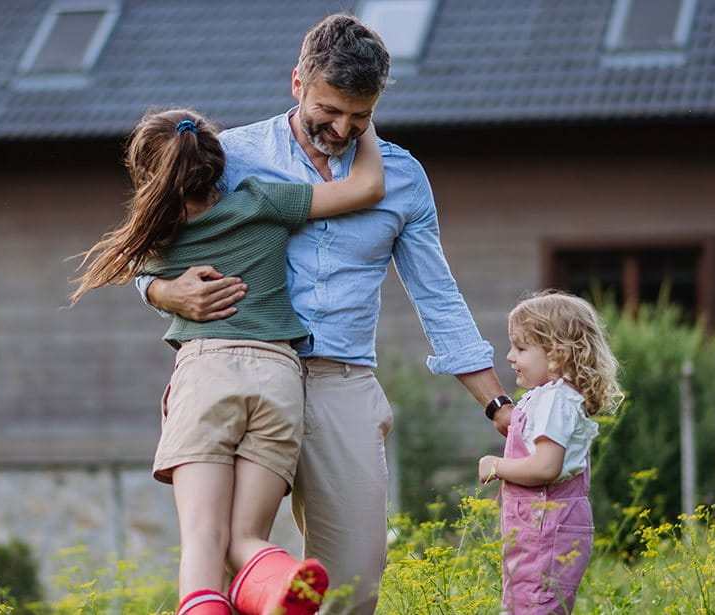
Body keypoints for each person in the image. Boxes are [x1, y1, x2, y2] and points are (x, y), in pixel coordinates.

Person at [136, 14, 513, 612]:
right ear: (297, 83)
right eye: (329, 110)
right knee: (222, 553)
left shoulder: (402, 178)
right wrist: (161, 293)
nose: (340, 129)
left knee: (351, 583)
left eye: (357, 117)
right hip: (242, 365)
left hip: (341, 382)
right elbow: (152, 248)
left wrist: (497, 404)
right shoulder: (230, 156)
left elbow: (437, 295)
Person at [69, 108, 386, 615]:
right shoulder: (263, 200)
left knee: (203, 539)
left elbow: (140, 277)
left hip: (207, 373)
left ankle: (230, 597)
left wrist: (164, 291)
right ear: (217, 163)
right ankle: (280, 576)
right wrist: (362, 123)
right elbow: (368, 187)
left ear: (155, 177)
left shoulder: (156, 234)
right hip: (280, 378)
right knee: (244, 537)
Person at [477, 290, 623, 615]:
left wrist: (497, 465)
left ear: (557, 355)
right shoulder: (550, 397)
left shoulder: (555, 400)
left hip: (545, 529)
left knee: (531, 607)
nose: (510, 356)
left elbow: (546, 467)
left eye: (521, 347)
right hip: (543, 527)